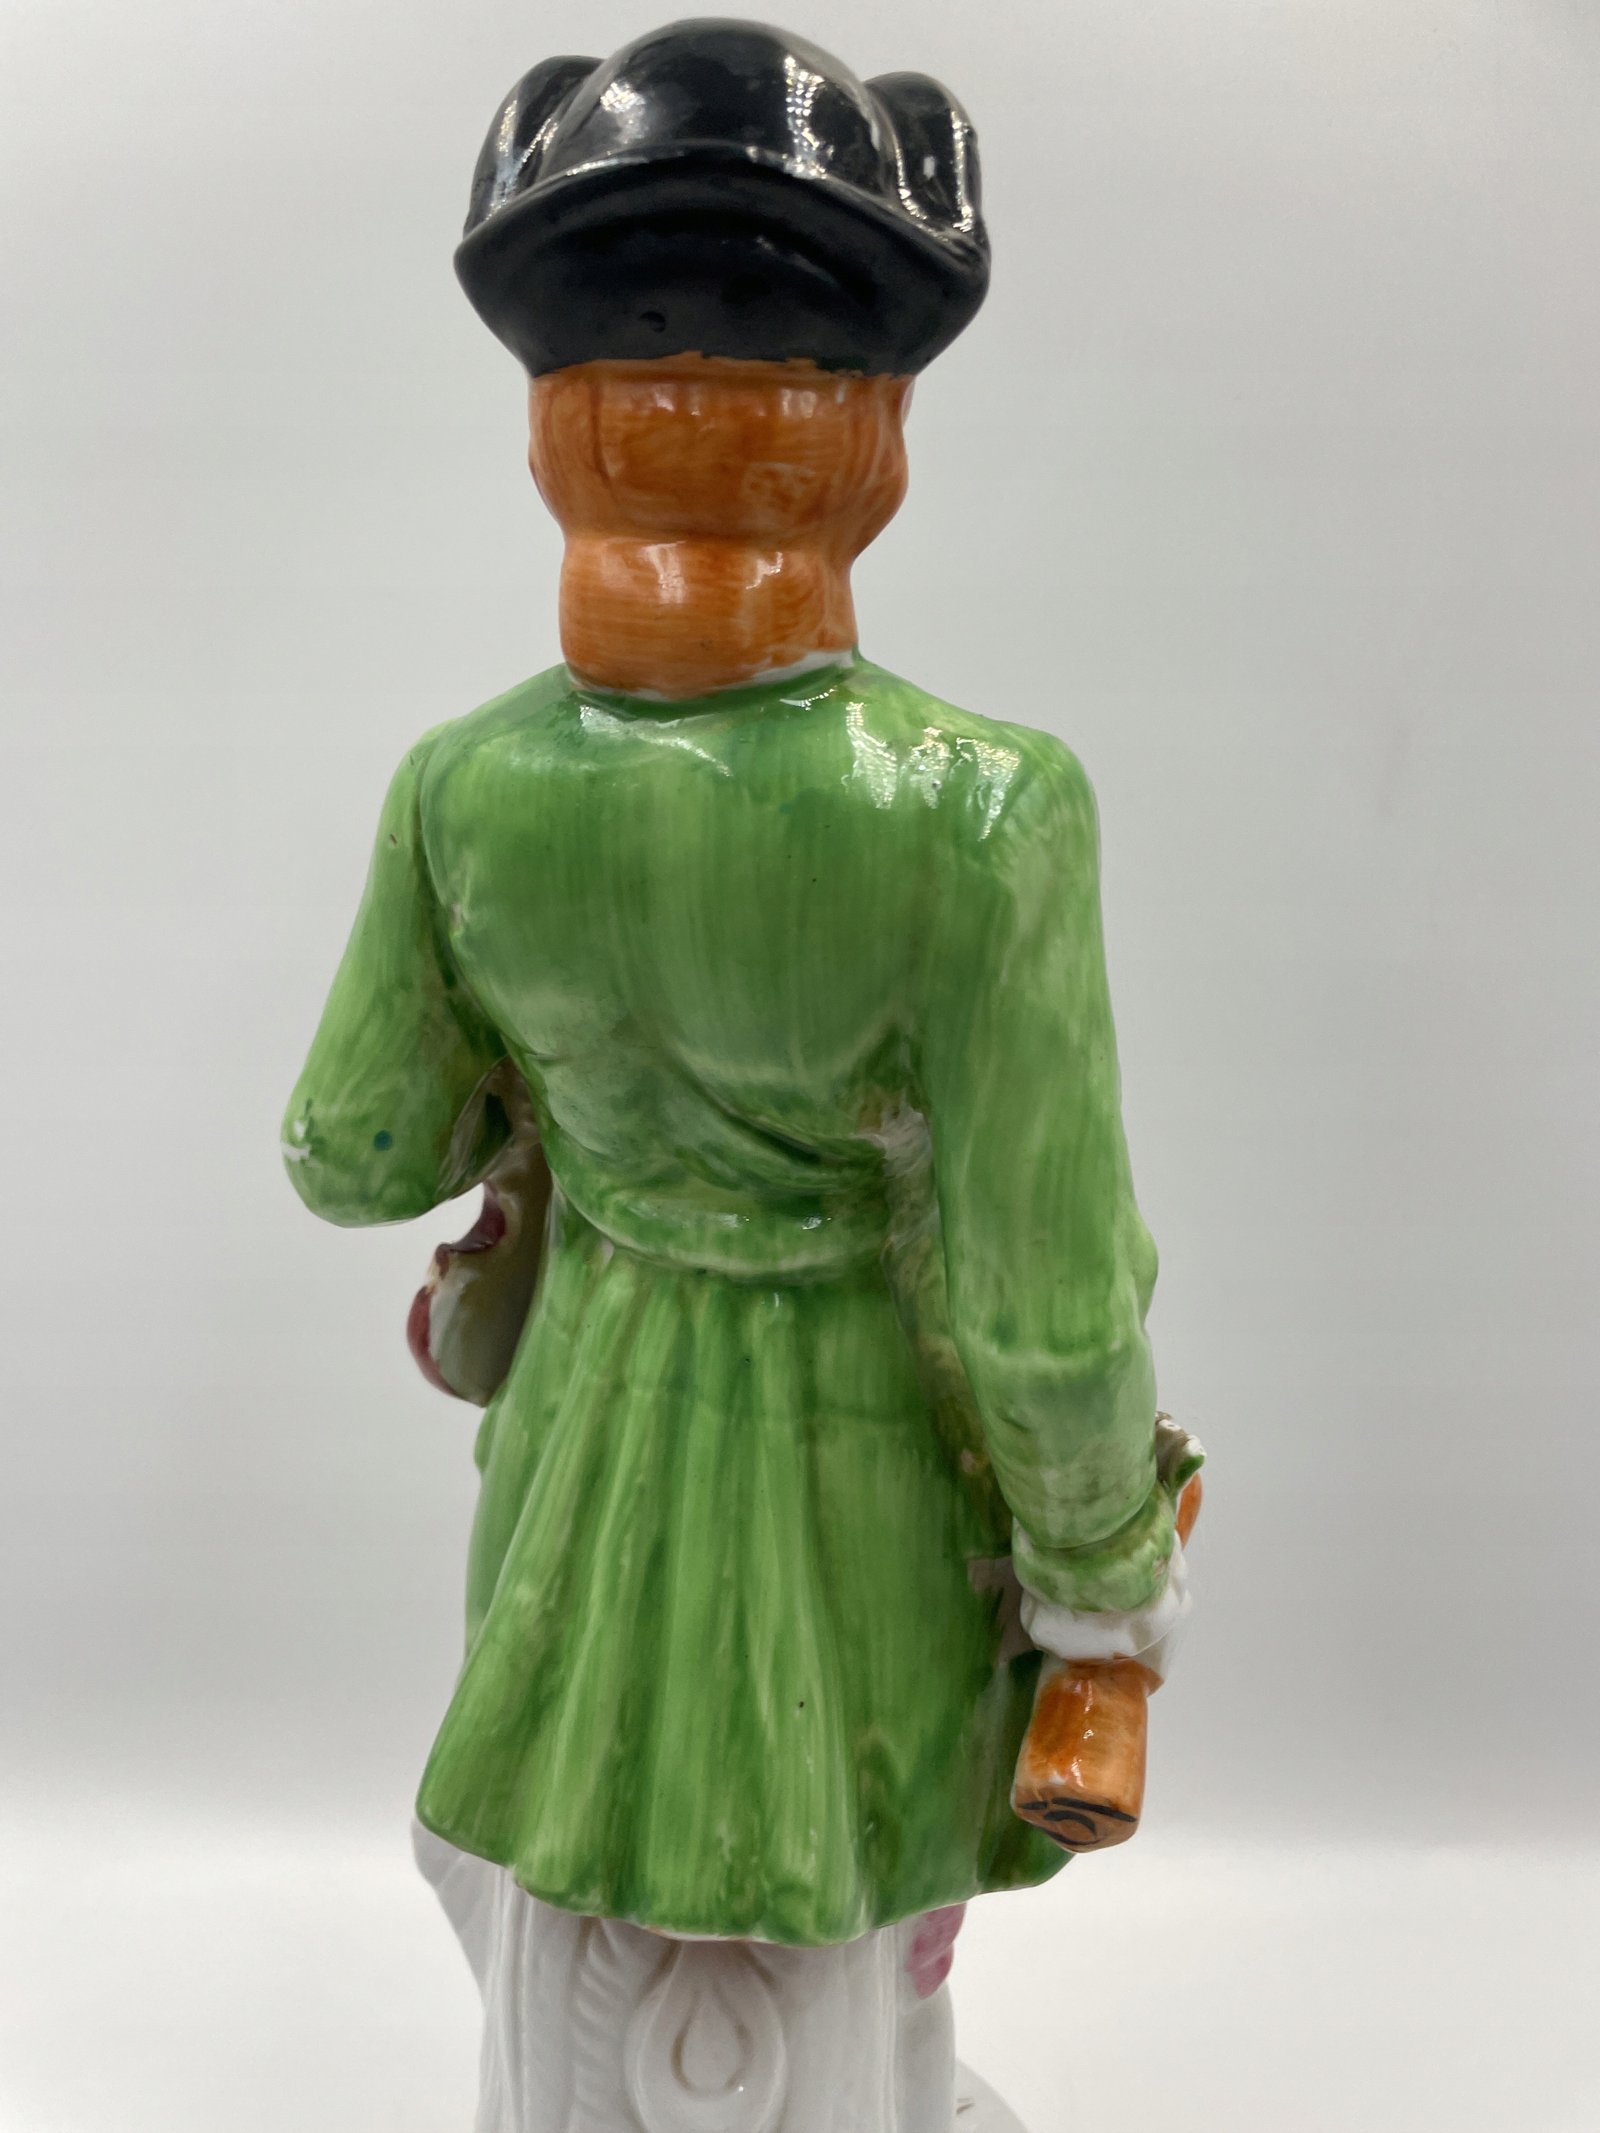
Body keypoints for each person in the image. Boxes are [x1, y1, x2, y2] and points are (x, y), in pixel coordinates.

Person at [283, 23, 1199, 2131]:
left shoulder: (466, 787)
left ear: (557, 426)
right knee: (843, 1912)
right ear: (863, 432)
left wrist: (548, 1086)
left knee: (563, 1894)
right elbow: (1047, 1302)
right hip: (852, 1491)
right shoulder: (978, 809)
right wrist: (1104, 1591)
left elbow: (350, 1149)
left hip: (590, 1444)